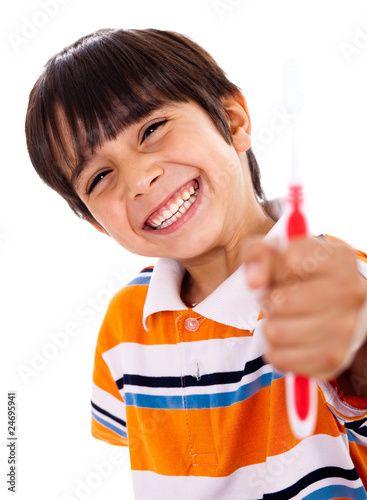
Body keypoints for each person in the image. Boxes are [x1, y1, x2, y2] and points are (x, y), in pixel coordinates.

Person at [25, 28, 367, 499]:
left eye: (151, 129)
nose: (140, 179)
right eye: (100, 176)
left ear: (232, 120)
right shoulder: (124, 325)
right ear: (97, 225)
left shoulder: (339, 281)